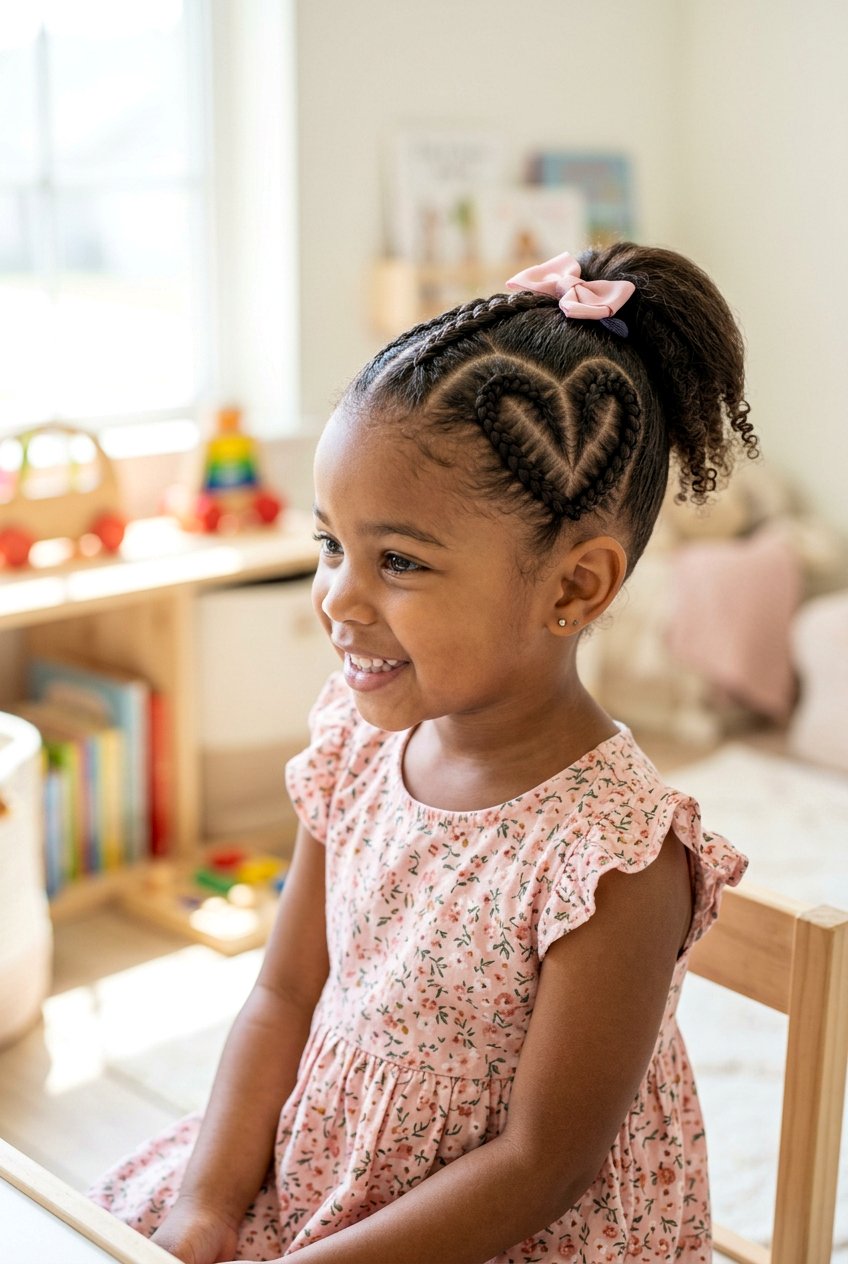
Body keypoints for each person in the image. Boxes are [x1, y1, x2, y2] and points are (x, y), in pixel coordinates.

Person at [90, 243, 757, 1263]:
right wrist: (206, 1207)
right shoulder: (357, 746)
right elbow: (281, 992)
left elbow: (541, 1165)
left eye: (396, 560)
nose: (338, 599)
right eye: (329, 545)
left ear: (573, 589)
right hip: (336, 1175)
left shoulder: (613, 857)